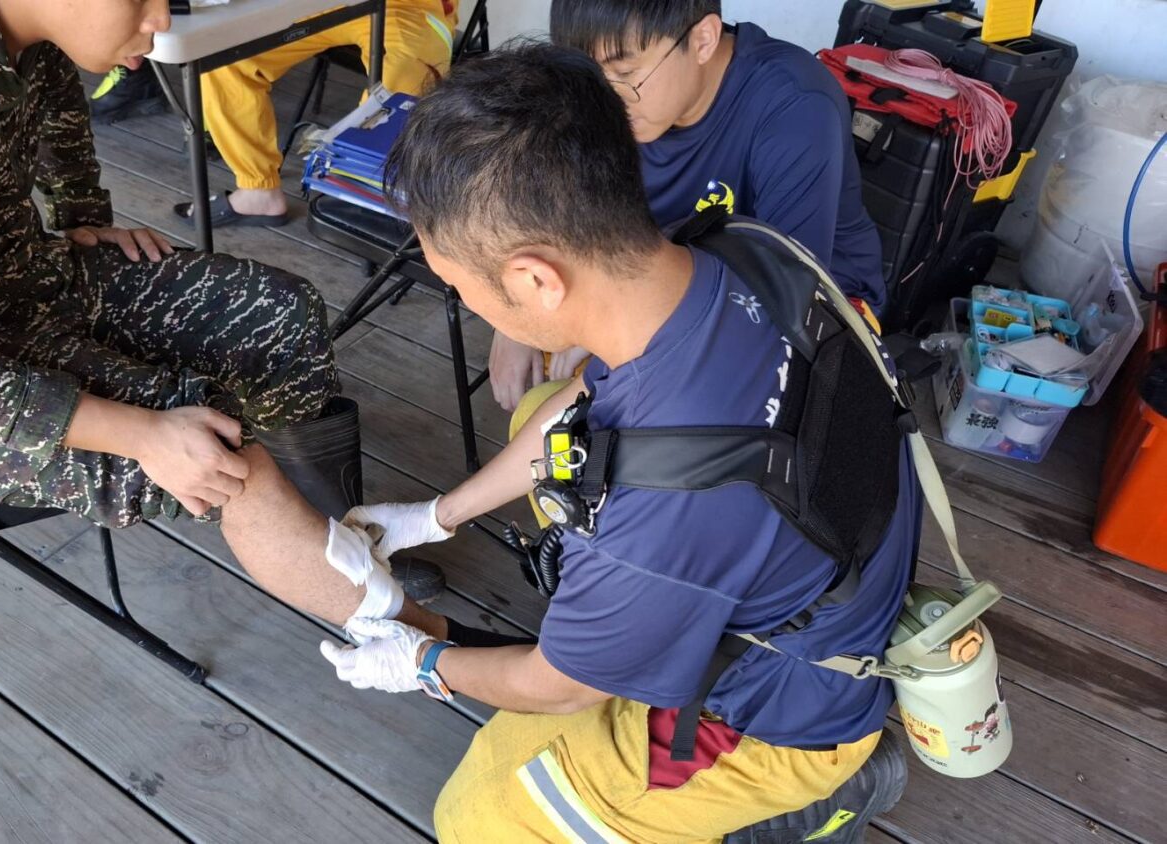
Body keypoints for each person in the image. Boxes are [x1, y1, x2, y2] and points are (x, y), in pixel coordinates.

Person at [319, 45, 919, 840]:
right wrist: (435, 515)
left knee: (478, 818)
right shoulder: (739, 248)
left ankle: (819, 796)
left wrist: (423, 665)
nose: (466, 304)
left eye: (459, 287)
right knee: (542, 403)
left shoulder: (662, 518)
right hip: (822, 543)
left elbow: (561, 684)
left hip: (779, 708)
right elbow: (576, 401)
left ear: (535, 280)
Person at [0, 0, 476, 625]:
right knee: (220, 450)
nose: (161, 19)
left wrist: (82, 217)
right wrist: (142, 434)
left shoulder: (16, 20)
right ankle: (414, 640)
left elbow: (53, 99)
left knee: (281, 313)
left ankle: (328, 537)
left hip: (6, 278)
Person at [485, 0, 886, 413]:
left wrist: (603, 333)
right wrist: (515, 325)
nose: (607, 101)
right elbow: (558, 205)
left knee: (575, 421)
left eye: (626, 74)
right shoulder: (613, 96)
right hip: (659, 281)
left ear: (703, 40)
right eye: (591, 77)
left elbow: (787, 291)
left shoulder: (795, 102)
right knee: (544, 404)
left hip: (810, 309)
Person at [171, 0, 460, 227]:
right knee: (224, 59)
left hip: (410, 6)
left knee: (403, 86)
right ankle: (257, 189)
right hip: (315, 3)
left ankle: (367, 205)